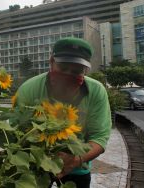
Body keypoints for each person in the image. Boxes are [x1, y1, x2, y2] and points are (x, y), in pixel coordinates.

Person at [15, 37, 112, 188]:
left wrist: (75, 159)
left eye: (76, 71)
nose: (68, 75)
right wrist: (42, 157)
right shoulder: (29, 89)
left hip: (78, 166)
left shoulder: (96, 91)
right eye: (63, 68)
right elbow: (17, 130)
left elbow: (99, 137)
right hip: (34, 166)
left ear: (85, 70)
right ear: (51, 61)